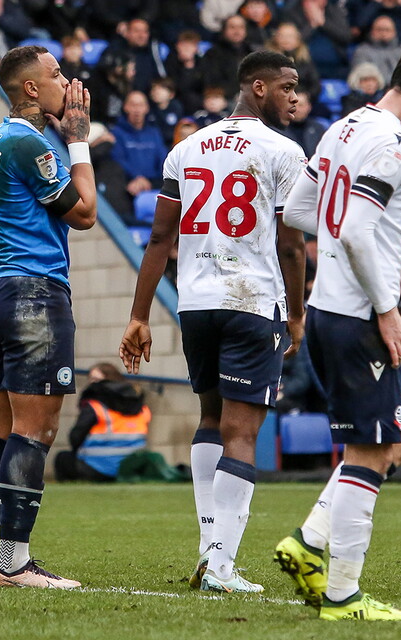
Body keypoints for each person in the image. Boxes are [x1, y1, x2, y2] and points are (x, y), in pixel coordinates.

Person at [275, 38, 401, 620]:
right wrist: (389, 308)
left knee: (395, 443)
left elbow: (301, 210)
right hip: (360, 315)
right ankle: (343, 595)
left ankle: (308, 542)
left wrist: (391, 226)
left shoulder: (343, 127)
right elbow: (355, 231)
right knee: (373, 449)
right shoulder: (395, 146)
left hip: (328, 310)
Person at [121, 50, 306, 594]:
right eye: (288, 86)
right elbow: (291, 244)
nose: (296, 97)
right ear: (258, 87)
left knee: (210, 419)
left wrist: (138, 315)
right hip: (252, 301)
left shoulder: (186, 148)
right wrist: (296, 312)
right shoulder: (283, 151)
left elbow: (160, 238)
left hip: (196, 302)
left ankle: (209, 549)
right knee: (242, 433)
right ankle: (221, 564)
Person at [0, 45, 97, 590]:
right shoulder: (27, 142)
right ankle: (15, 564)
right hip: (32, 293)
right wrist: (81, 139)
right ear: (32, 89)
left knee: (1, 427)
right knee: (35, 431)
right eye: (56, 73)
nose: (67, 81)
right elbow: (84, 214)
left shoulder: (0, 136)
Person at [54, 362, 150, 482]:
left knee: (62, 458)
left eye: (96, 379)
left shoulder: (95, 406)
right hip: (132, 467)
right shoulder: (140, 405)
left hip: (98, 469)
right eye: (91, 379)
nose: (92, 384)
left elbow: (76, 436)